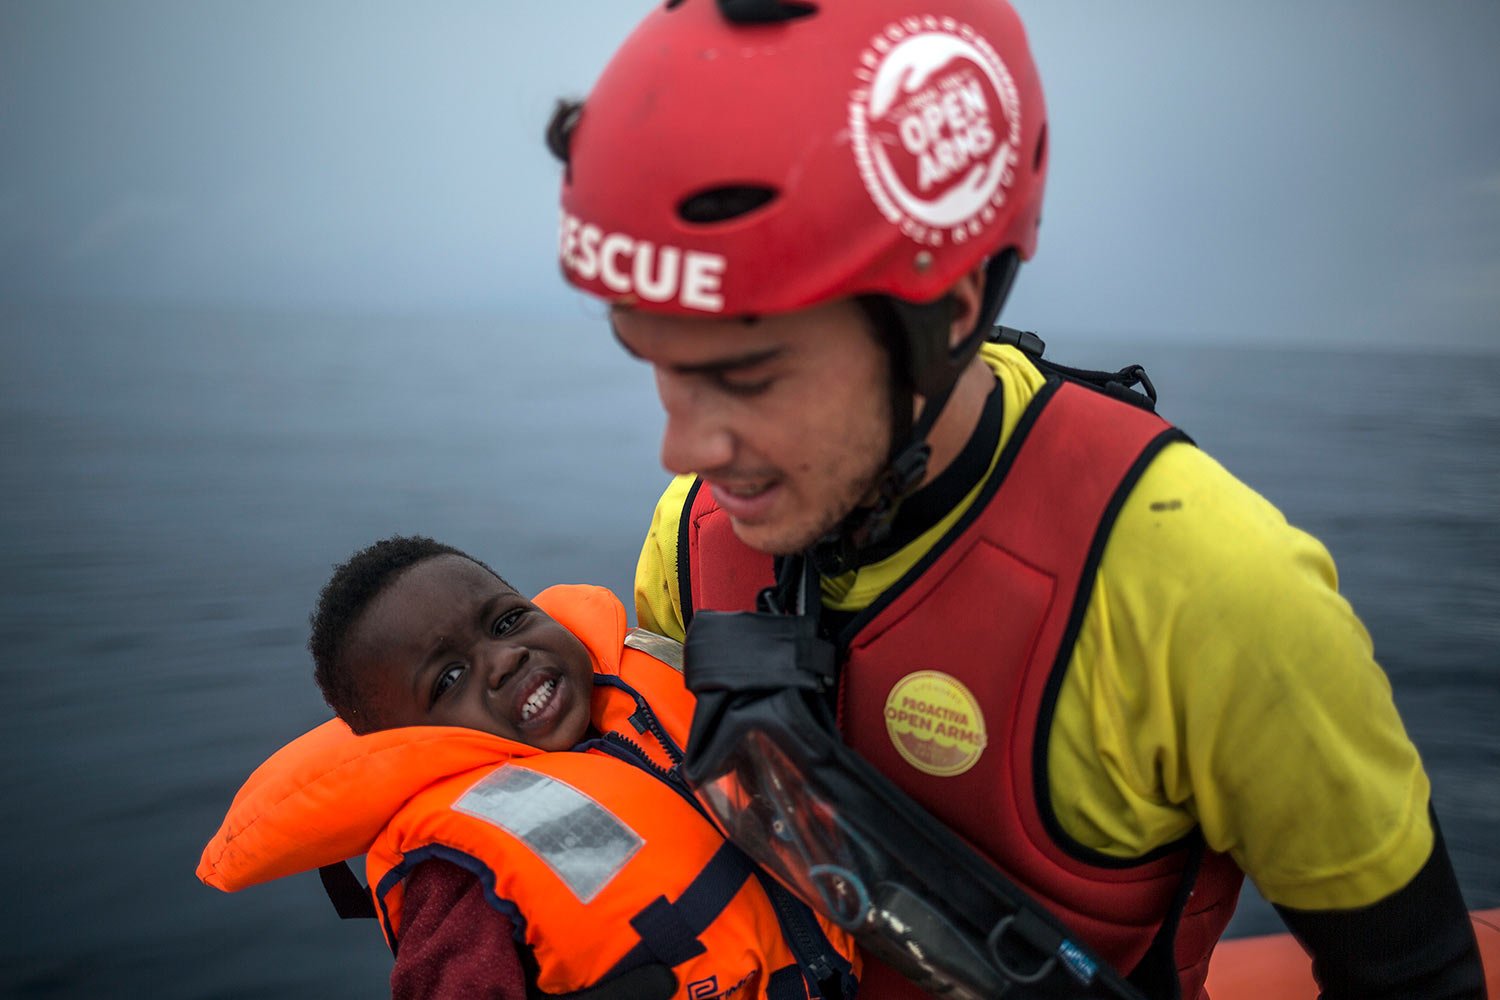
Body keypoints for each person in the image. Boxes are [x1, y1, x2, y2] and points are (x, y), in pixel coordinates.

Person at [548, 1, 1487, 997]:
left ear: (945, 311)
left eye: (749, 377)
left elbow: (1414, 977)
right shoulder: (695, 537)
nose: (682, 449)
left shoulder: (1209, 586)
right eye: (656, 364)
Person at [198, 535, 859, 1000]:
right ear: (402, 743)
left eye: (509, 620)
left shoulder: (649, 700)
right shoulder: (456, 876)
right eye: (448, 677)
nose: (505, 658)